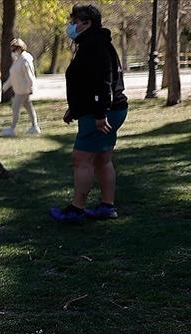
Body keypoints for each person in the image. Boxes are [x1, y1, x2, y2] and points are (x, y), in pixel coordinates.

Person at [50, 4, 128, 223]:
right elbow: (87, 83)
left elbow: (102, 83)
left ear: (87, 23)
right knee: (102, 159)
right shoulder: (94, 43)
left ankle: (76, 209)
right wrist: (74, 109)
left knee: (81, 159)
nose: (71, 26)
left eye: (74, 22)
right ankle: (107, 206)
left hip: (100, 114)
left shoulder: (94, 45)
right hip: (108, 110)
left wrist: (100, 115)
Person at [1, 38, 41, 136]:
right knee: (28, 107)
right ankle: (35, 127)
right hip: (19, 89)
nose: (13, 52)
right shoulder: (18, 60)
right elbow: (13, 76)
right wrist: (5, 86)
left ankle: (12, 129)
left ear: (20, 48)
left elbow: (29, 75)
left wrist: (31, 87)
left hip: (23, 90)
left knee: (15, 107)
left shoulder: (25, 59)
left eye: (14, 49)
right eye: (12, 50)